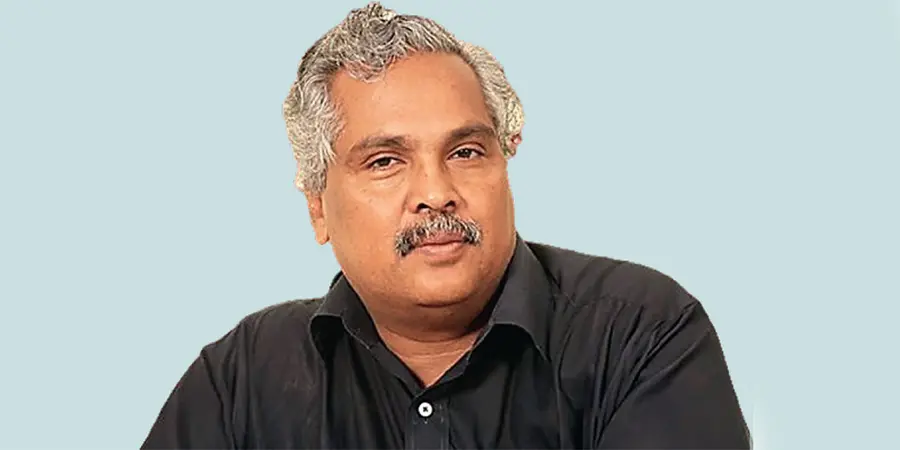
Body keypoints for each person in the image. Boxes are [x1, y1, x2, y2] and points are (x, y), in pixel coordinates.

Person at [141, 2, 750, 448]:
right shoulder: (244, 380)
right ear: (318, 207)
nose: (436, 194)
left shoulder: (640, 336)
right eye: (385, 161)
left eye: (465, 152)